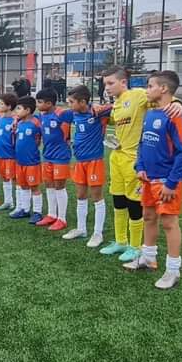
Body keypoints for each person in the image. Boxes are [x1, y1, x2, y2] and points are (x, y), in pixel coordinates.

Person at [98, 67, 182, 264]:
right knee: (118, 201)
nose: (107, 88)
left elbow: (164, 97)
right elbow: (118, 122)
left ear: (123, 82)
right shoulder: (117, 103)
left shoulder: (136, 95)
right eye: (105, 84)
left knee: (134, 204)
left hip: (134, 161)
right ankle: (120, 241)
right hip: (117, 157)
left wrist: (178, 103)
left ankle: (135, 247)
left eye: (110, 83)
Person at [124, 71, 182, 290]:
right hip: (148, 179)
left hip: (166, 181)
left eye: (150, 86)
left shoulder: (176, 116)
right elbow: (143, 144)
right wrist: (140, 166)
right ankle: (148, 257)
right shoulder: (151, 114)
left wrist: (172, 183)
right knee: (148, 216)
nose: (147, 90)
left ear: (163, 88)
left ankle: (173, 270)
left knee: (169, 223)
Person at [62, 85, 110, 246]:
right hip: (80, 161)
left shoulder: (97, 113)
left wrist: (98, 105)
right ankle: (81, 229)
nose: (69, 105)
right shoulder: (74, 114)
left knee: (97, 197)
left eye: (71, 102)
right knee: (80, 195)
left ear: (83, 102)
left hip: (94, 161)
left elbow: (117, 105)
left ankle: (98, 233)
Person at [34, 88, 73, 232]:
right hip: (47, 155)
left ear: (49, 103)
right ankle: (51, 214)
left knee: (59, 186)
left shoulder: (62, 114)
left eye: (40, 102)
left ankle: (62, 218)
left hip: (61, 156)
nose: (37, 105)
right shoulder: (41, 115)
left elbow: (80, 111)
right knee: (49, 185)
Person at [8, 96, 44, 224]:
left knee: (34, 187)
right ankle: (25, 209)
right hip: (20, 161)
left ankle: (37, 212)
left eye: (19, 108)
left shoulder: (36, 122)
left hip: (32, 162)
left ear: (28, 110)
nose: (16, 111)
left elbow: (42, 136)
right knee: (23, 186)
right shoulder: (19, 123)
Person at [0, 93, 19, 211]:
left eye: (2, 104)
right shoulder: (1, 118)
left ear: (9, 106)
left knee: (14, 179)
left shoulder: (15, 120)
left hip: (10, 155)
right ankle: (8, 202)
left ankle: (19, 205)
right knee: (4, 178)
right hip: (0, 153)